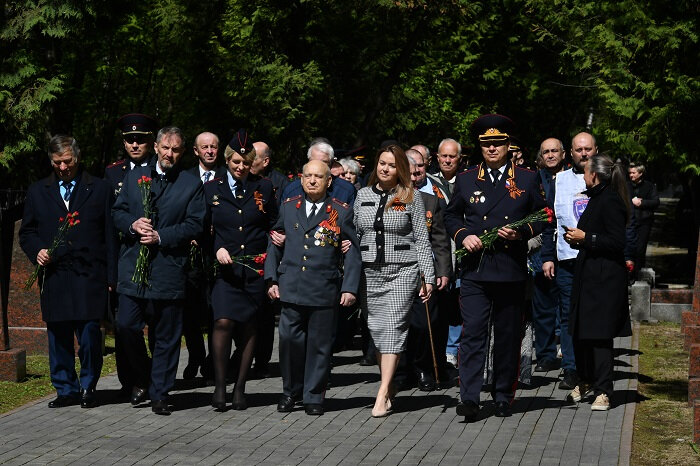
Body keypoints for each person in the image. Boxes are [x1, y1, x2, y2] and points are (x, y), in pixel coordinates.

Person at [443, 114, 546, 421]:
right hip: (476, 270)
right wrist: (463, 236)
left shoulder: (527, 178)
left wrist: (522, 232)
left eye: (497, 143)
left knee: (507, 336)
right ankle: (470, 398)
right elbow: (450, 217)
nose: (491, 149)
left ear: (508, 145)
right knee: (472, 334)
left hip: (510, 268)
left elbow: (544, 216)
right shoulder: (466, 178)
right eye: (486, 144)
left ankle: (503, 394)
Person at [112, 126, 205, 415]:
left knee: (167, 336)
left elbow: (195, 225)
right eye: (166, 147)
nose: (170, 154)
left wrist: (161, 236)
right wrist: (133, 224)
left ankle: (160, 393)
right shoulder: (134, 176)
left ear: (182, 151)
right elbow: (117, 211)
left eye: (176, 149)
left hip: (169, 269)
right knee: (126, 325)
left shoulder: (191, 184)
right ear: (156, 147)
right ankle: (146, 374)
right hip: (133, 269)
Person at [19, 135, 114, 409]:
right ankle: (65, 389)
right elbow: (27, 232)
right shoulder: (38, 191)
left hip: (89, 275)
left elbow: (109, 234)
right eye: (57, 162)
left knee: (88, 336)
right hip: (56, 275)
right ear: (51, 161)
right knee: (58, 336)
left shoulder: (99, 188)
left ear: (77, 158)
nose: (63, 167)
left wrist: (111, 277)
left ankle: (88, 385)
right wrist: (37, 250)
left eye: (68, 161)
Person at [266, 160, 361, 416]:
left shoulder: (341, 211)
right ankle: (290, 391)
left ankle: (313, 395)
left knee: (319, 346)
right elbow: (275, 243)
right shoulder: (288, 208)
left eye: (318, 176)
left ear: (329, 181)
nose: (312, 181)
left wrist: (349, 288)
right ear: (301, 178)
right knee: (288, 342)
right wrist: (272, 279)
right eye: (307, 176)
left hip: (323, 288)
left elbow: (352, 252)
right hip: (291, 286)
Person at [354, 144, 435, 417]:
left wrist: (428, 277)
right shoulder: (362, 194)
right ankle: (388, 389)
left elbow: (422, 241)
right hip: (371, 273)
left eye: (391, 164)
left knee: (394, 328)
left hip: (403, 271)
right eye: (381, 163)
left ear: (399, 168)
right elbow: (355, 233)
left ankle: (381, 392)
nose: (385, 168)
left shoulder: (409, 196)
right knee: (377, 330)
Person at [204, 129, 278, 411]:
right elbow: (203, 229)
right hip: (227, 270)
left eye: (245, 163)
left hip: (254, 270)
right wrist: (216, 248)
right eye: (235, 162)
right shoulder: (213, 188)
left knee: (249, 327)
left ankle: (240, 387)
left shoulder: (264, 187)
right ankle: (220, 385)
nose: (240, 168)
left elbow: (274, 222)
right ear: (227, 160)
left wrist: (277, 238)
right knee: (222, 321)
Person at [563, 154, 633, 411]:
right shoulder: (595, 198)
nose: (583, 175)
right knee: (581, 333)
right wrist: (577, 238)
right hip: (587, 275)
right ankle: (586, 380)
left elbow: (617, 242)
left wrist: (587, 237)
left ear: (595, 174)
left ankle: (604, 390)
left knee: (600, 336)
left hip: (604, 280)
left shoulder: (611, 200)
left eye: (585, 171)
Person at [104, 113, 158, 398]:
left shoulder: (162, 169)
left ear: (151, 141)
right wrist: (111, 271)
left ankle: (155, 379)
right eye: (130, 140)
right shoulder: (113, 173)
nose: (135, 144)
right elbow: (109, 225)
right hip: (126, 259)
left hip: (157, 259)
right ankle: (135, 379)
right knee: (125, 326)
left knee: (157, 326)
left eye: (140, 139)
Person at [540, 132, 597, 391]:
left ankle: (594, 368)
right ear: (570, 153)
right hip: (566, 259)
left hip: (597, 259)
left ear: (595, 150)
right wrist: (548, 257)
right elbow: (550, 220)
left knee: (594, 314)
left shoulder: (606, 177)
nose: (583, 154)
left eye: (588, 149)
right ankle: (571, 369)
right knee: (567, 315)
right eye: (578, 150)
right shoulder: (559, 180)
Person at [394, 150, 452, 392]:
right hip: (395, 272)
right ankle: (400, 371)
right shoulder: (390, 199)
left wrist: (443, 271)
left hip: (423, 273)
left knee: (423, 323)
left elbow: (440, 240)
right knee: (398, 324)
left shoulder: (430, 201)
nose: (413, 174)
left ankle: (423, 368)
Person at [182, 132, 226, 380]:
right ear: (196, 151)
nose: (209, 151)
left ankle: (212, 361)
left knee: (214, 311)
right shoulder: (185, 177)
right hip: (189, 255)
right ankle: (195, 356)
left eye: (213, 147)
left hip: (216, 254)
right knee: (190, 311)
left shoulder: (226, 177)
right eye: (204, 147)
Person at [531, 138, 568, 373]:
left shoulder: (574, 178)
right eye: (546, 152)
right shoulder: (534, 180)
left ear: (564, 154)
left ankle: (570, 356)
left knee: (566, 307)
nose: (551, 155)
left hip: (567, 250)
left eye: (555, 151)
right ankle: (545, 354)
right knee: (543, 306)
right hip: (540, 250)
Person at [280, 141, 356, 206]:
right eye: (314, 161)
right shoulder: (292, 190)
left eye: (323, 162)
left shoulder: (346, 191)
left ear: (332, 164)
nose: (318, 166)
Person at [628, 163, 659, 273]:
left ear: (640, 173)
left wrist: (642, 203)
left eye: (633, 173)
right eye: (630, 173)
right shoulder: (626, 186)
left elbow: (656, 202)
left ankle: (638, 272)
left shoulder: (650, 186)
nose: (631, 175)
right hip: (629, 222)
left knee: (640, 249)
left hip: (644, 221)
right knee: (629, 247)